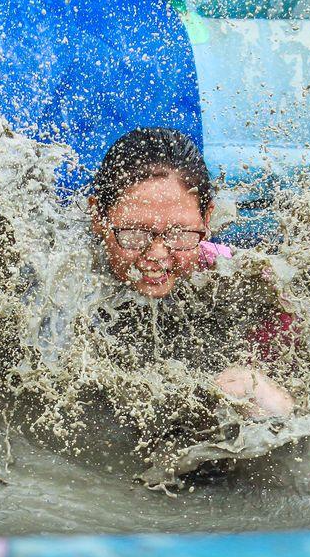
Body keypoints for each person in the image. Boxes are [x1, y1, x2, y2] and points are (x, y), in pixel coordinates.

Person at [88, 128, 295, 419]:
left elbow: (293, 383)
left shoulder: (240, 280)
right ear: (98, 217)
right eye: (135, 233)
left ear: (207, 218)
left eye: (180, 233)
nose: (157, 255)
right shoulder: (62, 279)